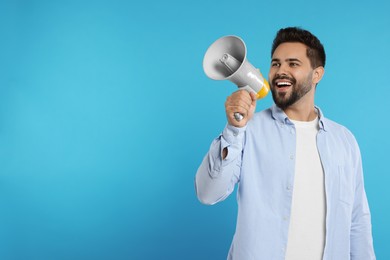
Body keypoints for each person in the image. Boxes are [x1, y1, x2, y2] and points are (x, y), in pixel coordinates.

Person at [195, 27, 375, 260]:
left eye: (293, 64)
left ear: (317, 74)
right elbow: (208, 194)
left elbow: (357, 219)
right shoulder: (248, 131)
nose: (281, 71)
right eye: (276, 64)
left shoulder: (344, 141)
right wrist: (234, 129)